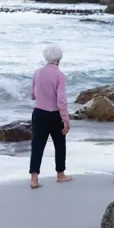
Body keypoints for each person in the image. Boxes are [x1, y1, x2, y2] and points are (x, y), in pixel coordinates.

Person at [29, 44, 72, 188]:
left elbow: (33, 95)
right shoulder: (59, 75)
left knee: (37, 145)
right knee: (59, 145)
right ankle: (60, 175)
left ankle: (34, 179)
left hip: (38, 113)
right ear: (59, 58)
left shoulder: (38, 72)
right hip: (55, 115)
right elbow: (61, 100)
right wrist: (66, 120)